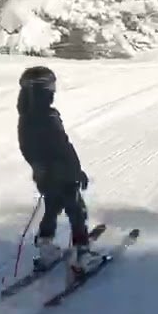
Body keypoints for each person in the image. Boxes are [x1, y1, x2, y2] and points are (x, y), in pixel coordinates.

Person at [16, 66, 103, 274]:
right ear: (44, 89)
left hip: (44, 174)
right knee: (76, 209)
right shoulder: (48, 115)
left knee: (52, 206)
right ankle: (83, 253)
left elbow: (25, 147)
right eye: (51, 86)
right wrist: (76, 171)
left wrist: (38, 167)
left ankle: (46, 247)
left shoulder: (25, 117)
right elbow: (62, 145)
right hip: (62, 172)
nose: (53, 91)